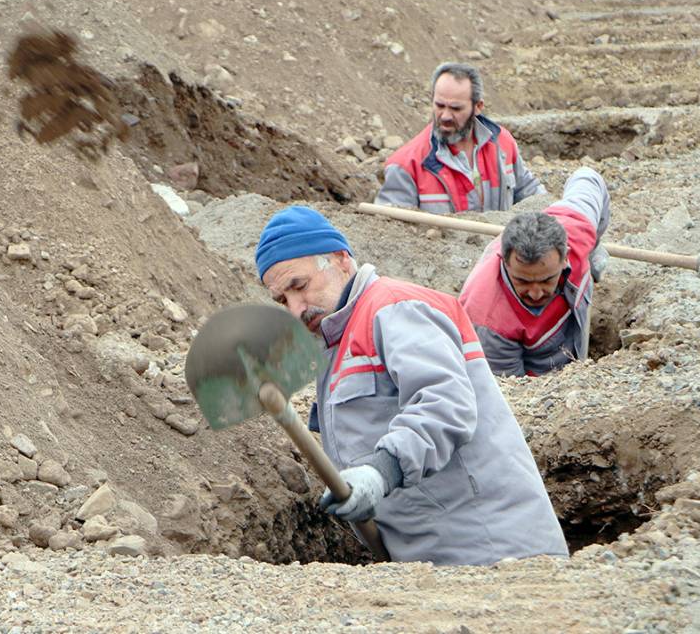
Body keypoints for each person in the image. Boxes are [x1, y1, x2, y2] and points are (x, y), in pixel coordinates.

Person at [255, 206, 568, 565]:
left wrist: (380, 471)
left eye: (300, 287)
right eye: (283, 300)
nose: (296, 309)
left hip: (492, 550)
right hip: (435, 558)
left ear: (341, 260)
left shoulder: (395, 309)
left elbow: (444, 405)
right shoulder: (338, 340)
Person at [459, 167, 611, 377]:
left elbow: (587, 177)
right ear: (503, 261)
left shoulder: (577, 234)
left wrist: (593, 250)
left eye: (547, 279)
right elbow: (512, 396)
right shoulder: (489, 322)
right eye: (522, 281)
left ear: (566, 256)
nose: (536, 293)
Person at [376, 62, 544, 214]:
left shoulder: (502, 144)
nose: (446, 116)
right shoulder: (406, 166)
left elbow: (531, 194)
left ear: (478, 107)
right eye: (440, 106)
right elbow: (392, 232)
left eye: (456, 108)